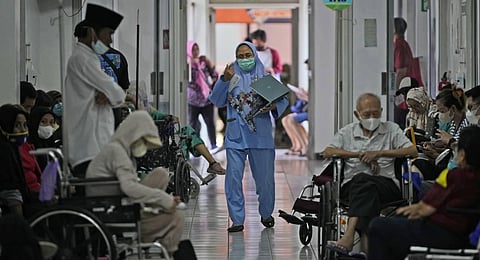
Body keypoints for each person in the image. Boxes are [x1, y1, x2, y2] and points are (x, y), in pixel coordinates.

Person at [322, 93, 418, 254]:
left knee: (363, 180)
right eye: (367, 114)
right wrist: (360, 156)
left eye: (376, 113)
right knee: (364, 182)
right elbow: (328, 151)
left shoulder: (391, 129)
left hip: (386, 185)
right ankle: (367, 242)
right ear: (356, 114)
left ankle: (349, 236)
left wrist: (380, 154)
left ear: (381, 111)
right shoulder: (347, 132)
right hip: (352, 187)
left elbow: (412, 150)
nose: (372, 117)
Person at [209, 41, 289, 232]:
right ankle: (237, 220)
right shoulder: (230, 77)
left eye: (248, 55)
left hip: (260, 137)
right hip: (236, 136)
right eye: (241, 56)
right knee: (233, 180)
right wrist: (224, 80)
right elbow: (217, 100)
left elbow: (283, 99)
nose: (245, 59)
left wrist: (274, 107)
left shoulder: (265, 78)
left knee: (265, 181)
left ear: (254, 55)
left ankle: (266, 213)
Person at [368, 125, 480, 260]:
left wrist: (411, 209)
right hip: (463, 236)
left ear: (462, 154)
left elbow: (426, 209)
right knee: (397, 225)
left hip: (443, 234)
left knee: (378, 226)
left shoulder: (454, 176)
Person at [85, 111, 184, 256]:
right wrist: (164, 200)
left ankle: (155, 216)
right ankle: (169, 251)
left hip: (116, 203)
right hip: (112, 210)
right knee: (177, 216)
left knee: (161, 174)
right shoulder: (118, 152)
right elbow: (129, 187)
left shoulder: (119, 149)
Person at [64, 4, 126, 178]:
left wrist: (108, 93)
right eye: (109, 34)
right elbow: (117, 93)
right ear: (92, 32)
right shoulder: (83, 59)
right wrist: (110, 93)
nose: (110, 41)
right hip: (88, 146)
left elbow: (111, 93)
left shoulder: (88, 58)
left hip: (93, 144)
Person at [150, 110, 225, 176]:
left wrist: (167, 116)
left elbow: (153, 112)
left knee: (187, 132)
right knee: (186, 136)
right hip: (154, 142)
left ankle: (212, 164)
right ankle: (212, 164)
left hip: (160, 137)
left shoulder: (143, 105)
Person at [186, 40, 218, 150]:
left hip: (206, 99)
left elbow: (214, 75)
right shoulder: (187, 64)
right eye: (193, 49)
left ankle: (213, 145)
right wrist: (191, 64)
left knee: (210, 123)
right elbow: (188, 81)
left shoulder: (203, 63)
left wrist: (209, 63)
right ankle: (194, 148)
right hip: (193, 100)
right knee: (193, 124)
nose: (195, 51)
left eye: (197, 49)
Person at [0, 104, 29, 216]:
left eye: (25, 125)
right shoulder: (4, 150)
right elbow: (9, 188)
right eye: (17, 125)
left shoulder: (13, 147)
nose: (22, 130)